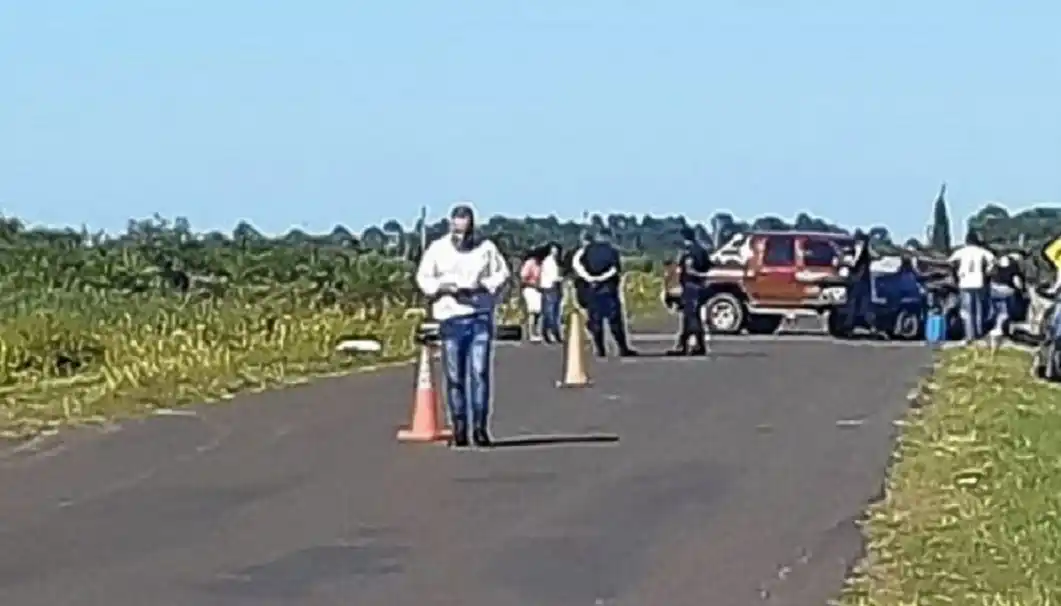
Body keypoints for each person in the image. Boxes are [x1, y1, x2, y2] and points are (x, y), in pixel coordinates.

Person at [415, 203, 511, 448]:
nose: (461, 237)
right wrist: (443, 287)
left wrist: (484, 285)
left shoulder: (486, 249)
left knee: (479, 372)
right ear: (450, 227)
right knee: (454, 375)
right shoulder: (438, 249)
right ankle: (459, 426)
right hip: (451, 317)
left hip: (479, 315)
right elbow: (424, 278)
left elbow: (502, 274)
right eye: (457, 231)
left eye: (466, 232)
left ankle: (479, 427)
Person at [571, 228, 638, 358]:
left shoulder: (586, 251)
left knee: (596, 321)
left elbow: (577, 265)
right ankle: (622, 348)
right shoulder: (612, 251)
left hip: (592, 289)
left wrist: (590, 278)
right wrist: (602, 278)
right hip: (608, 289)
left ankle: (600, 349)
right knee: (615, 321)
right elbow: (615, 269)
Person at [669, 226, 712, 355]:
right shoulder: (702, 250)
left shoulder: (688, 252)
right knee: (692, 317)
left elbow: (689, 269)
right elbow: (709, 266)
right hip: (700, 286)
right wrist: (704, 277)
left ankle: (689, 346)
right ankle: (694, 345)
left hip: (690, 286)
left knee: (691, 317)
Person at [948, 229, 996, 344]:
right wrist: (988, 271)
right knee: (979, 309)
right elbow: (993, 260)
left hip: (965, 282)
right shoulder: (982, 251)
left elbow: (950, 262)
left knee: (967, 310)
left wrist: (956, 273)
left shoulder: (961, 252)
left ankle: (969, 335)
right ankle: (979, 333)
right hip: (979, 282)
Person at [987, 251, 1025, 344]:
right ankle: (1001, 332)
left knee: (996, 311)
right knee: (1005, 313)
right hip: (1007, 291)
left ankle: (994, 330)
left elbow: (989, 274)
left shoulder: (996, 264)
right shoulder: (1013, 266)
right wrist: (1021, 289)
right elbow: (1016, 281)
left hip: (994, 290)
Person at [844, 229, 874, 333]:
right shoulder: (867, 249)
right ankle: (865, 323)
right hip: (864, 279)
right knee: (863, 302)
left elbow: (854, 262)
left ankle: (850, 325)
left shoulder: (859, 247)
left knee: (853, 301)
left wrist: (846, 262)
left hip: (857, 278)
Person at [539, 242, 564, 343]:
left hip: (554, 288)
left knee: (554, 312)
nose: (555, 251)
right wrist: (561, 278)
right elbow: (553, 277)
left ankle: (552, 332)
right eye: (553, 249)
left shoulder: (554, 261)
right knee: (550, 312)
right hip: (550, 288)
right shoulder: (549, 261)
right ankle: (550, 332)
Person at [519, 248, 544, 342]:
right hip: (530, 289)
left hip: (538, 290)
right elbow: (523, 278)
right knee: (532, 312)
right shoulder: (530, 263)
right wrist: (533, 284)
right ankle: (531, 334)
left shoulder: (540, 264)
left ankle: (536, 332)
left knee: (538, 312)